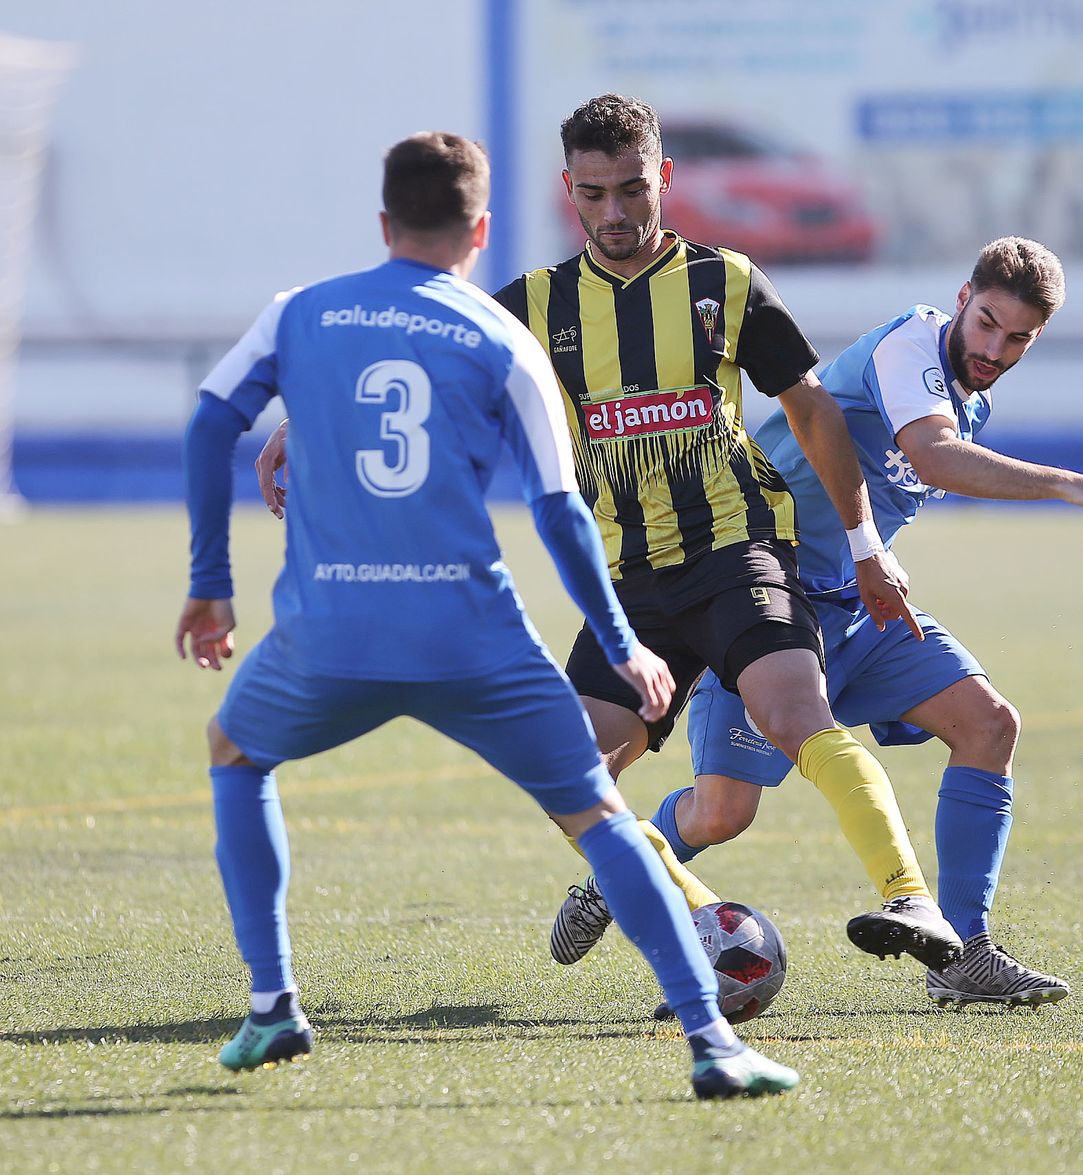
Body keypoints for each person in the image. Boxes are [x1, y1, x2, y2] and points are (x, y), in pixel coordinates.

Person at [175, 131, 796, 1098]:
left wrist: (210, 584)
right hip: (470, 637)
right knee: (601, 816)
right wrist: (621, 640)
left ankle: (273, 1001)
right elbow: (559, 509)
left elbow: (212, 418)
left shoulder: (300, 311)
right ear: (480, 231)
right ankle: (713, 1043)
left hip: (332, 631)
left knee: (234, 751)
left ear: (384, 222)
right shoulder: (504, 335)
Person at [558, 238, 1083, 1010]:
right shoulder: (910, 343)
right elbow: (935, 459)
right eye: (986, 323)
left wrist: (873, 559)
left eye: (1018, 338)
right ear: (962, 298)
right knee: (722, 812)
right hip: (757, 599)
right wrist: (1073, 485)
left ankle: (964, 951)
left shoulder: (970, 396)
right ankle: (613, 874)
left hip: (854, 609)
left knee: (990, 725)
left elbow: (902, 477)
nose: (994, 349)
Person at [485, 94, 965, 970]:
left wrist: (866, 546)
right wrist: (310, 422)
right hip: (629, 582)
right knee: (565, 772)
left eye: (632, 188)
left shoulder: (726, 282)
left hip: (737, 550)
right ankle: (708, 917)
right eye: (593, 194)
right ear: (568, 189)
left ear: (665, 176)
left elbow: (813, 411)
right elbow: (432, 365)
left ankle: (911, 898)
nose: (615, 212)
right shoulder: (533, 305)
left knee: (794, 713)